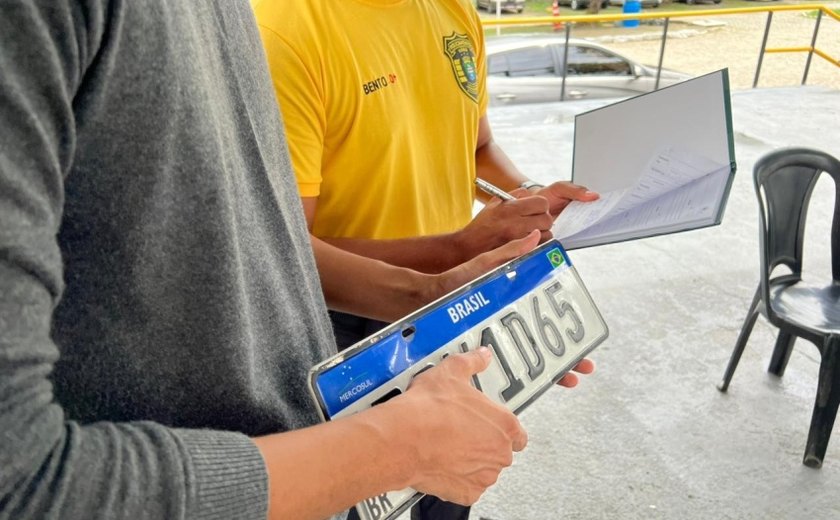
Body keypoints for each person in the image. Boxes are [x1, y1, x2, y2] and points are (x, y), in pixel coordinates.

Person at [0, 1, 594, 519]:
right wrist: (394, 446)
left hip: (407, 346)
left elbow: (255, 237)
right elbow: (24, 482)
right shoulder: (285, 26)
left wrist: (473, 261)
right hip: (338, 370)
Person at [254, 2, 598, 517]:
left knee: (453, 484)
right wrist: (454, 252)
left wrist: (526, 197)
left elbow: (476, 145)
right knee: (356, 496)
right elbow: (278, 249)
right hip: (345, 327)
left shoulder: (454, 9)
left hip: (455, 301)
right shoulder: (283, 31)